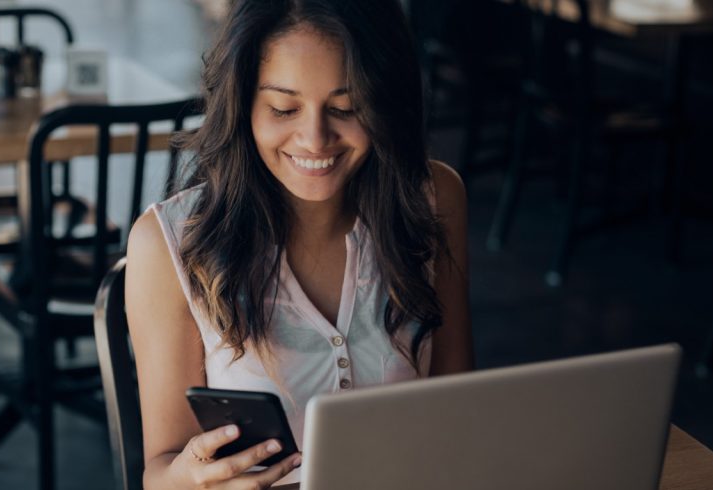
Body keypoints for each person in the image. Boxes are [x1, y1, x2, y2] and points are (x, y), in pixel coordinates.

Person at [126, 0, 473, 487]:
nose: (315, 139)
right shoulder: (169, 245)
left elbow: (461, 412)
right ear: (242, 101)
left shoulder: (435, 200)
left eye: (345, 108)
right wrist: (192, 478)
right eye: (284, 108)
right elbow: (159, 474)